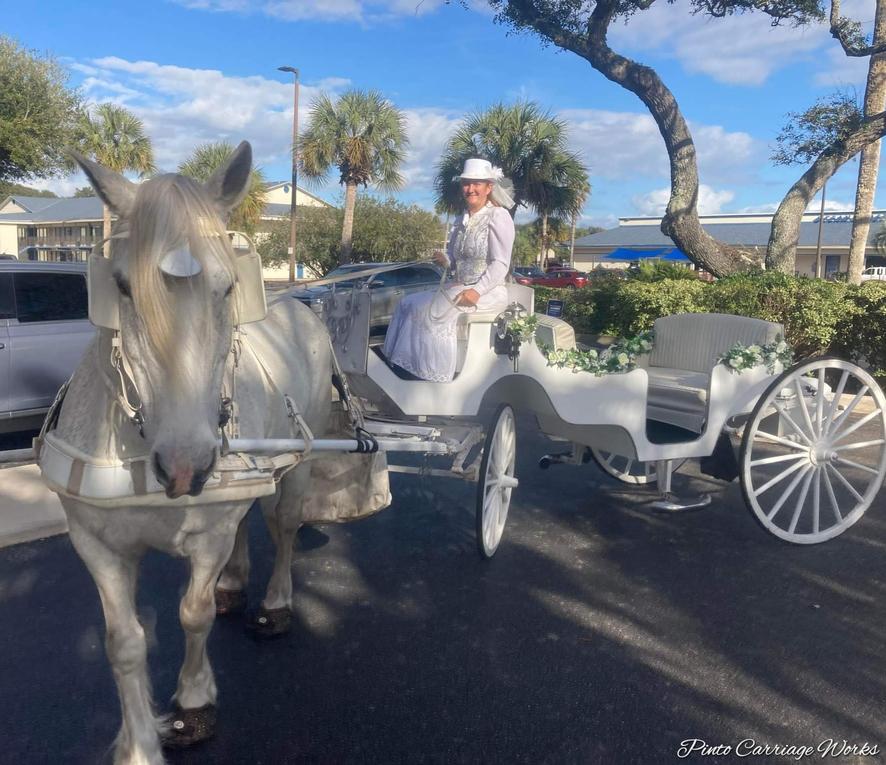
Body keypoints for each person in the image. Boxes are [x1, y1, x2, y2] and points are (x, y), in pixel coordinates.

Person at [382, 158, 515, 382]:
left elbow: (500, 263)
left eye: (477, 184)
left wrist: (476, 292)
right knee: (408, 303)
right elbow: (455, 258)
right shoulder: (461, 219)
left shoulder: (498, 216)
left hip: (486, 292)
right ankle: (404, 367)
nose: (470, 189)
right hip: (459, 286)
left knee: (431, 313)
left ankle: (432, 374)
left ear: (489, 187)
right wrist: (445, 259)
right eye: (466, 183)